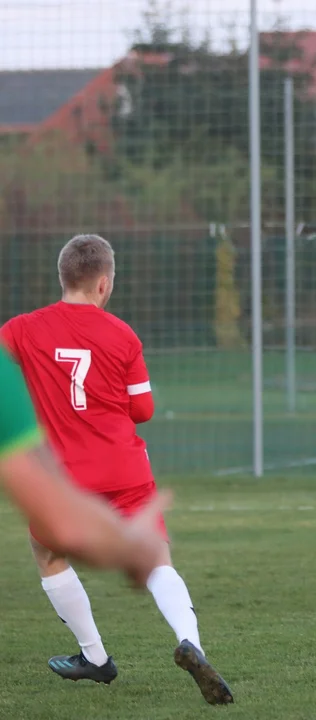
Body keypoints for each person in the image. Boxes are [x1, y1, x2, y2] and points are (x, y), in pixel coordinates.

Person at [0, 234, 233, 703]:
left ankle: (96, 657)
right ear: (104, 283)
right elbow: (143, 409)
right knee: (157, 557)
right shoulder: (122, 334)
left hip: (65, 478)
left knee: (47, 554)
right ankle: (191, 643)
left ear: (63, 277)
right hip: (126, 469)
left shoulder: (23, 329)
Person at [0, 345, 170, 586]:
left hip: (82, 463)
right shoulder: (4, 375)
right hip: (119, 463)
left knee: (45, 551)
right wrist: (132, 548)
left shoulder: (20, 339)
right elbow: (65, 526)